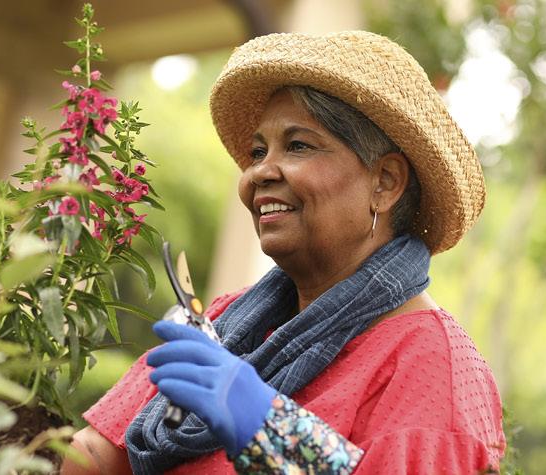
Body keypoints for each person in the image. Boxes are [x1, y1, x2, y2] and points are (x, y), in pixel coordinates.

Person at [62, 30, 504, 474]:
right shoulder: (230, 318)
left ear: (385, 182)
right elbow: (95, 456)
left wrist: (268, 429)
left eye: (298, 145)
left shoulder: (431, 367)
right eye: (258, 151)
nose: (260, 173)